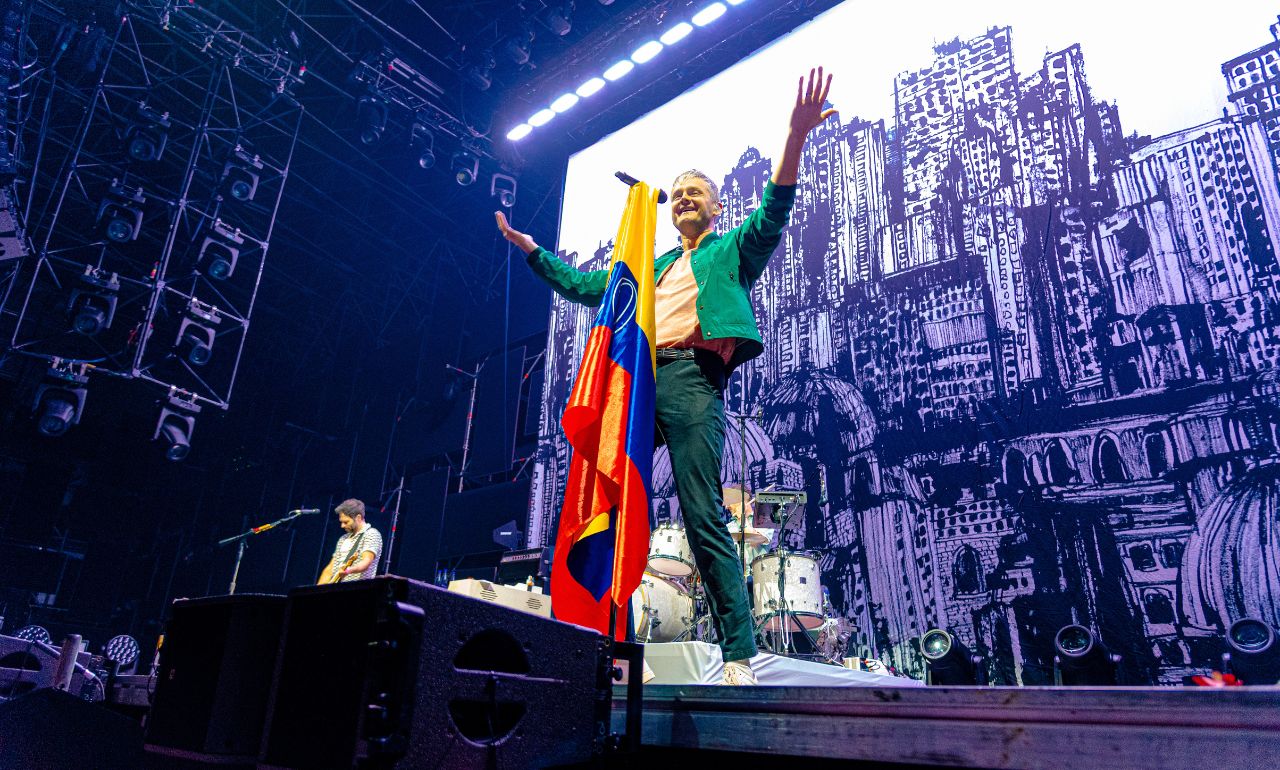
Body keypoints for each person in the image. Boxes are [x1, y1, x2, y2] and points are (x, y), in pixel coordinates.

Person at [496, 67, 837, 685]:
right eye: (676, 193)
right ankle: (612, 647)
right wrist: (532, 252)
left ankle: (738, 655)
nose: (682, 199)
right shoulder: (649, 268)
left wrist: (794, 136)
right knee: (609, 500)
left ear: (716, 205)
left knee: (703, 514)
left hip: (693, 382)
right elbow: (589, 288)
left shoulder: (729, 251)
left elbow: (774, 210)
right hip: (641, 385)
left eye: (694, 192)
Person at [317, 499, 383, 584]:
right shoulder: (343, 538)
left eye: (346, 522)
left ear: (358, 518)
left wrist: (349, 570)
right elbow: (330, 569)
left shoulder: (371, 534)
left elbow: (366, 562)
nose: (342, 526)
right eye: (341, 522)